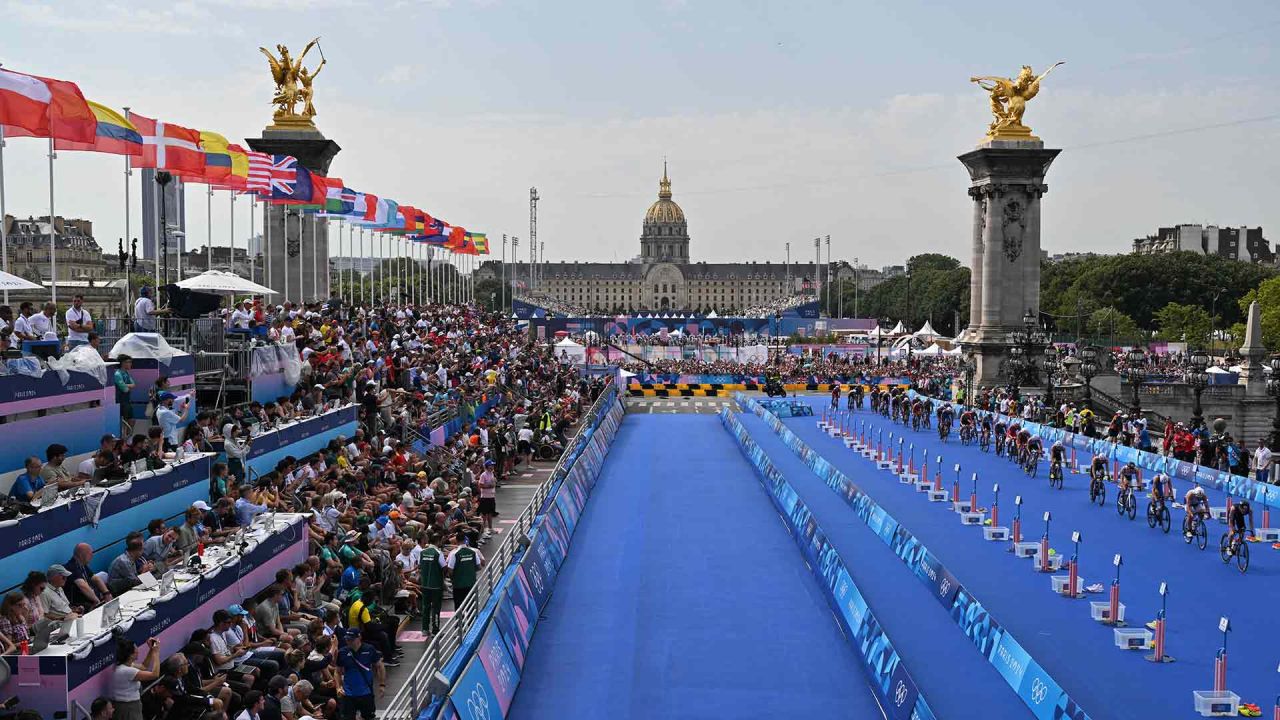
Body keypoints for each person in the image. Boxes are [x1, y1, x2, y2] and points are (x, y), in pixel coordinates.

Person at [336, 628, 384, 720]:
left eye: (351, 639)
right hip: (348, 694)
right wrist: (338, 687)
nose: (349, 642)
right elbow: (337, 671)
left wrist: (382, 685)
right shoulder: (342, 652)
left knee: (368, 717)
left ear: (359, 638)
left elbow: (380, 666)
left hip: (366, 692)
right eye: (347, 639)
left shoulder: (369, 649)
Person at [110, 637, 162, 720]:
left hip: (130, 706)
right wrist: (156, 653)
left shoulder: (126, 666)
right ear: (131, 655)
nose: (138, 651)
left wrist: (152, 649)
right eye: (136, 649)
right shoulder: (126, 671)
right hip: (128, 708)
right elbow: (155, 674)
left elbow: (144, 667)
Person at [66, 543, 112, 608]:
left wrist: (106, 593)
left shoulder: (82, 565)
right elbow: (82, 586)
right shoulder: (71, 567)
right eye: (90, 553)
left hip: (93, 597)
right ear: (81, 555)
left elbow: (96, 578)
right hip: (83, 602)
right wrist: (98, 602)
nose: (92, 555)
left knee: (110, 588)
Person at [418, 533, 446, 634]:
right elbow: (444, 567)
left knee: (425, 607)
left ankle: (424, 629)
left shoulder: (422, 552)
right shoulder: (438, 553)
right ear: (438, 541)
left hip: (424, 585)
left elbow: (419, 566)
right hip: (436, 586)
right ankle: (435, 630)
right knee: (436, 608)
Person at [446, 534, 483, 609]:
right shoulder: (473, 552)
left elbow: (450, 570)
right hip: (471, 583)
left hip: (458, 585)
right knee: (472, 607)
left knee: (459, 608)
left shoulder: (454, 553)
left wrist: (452, 579)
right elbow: (479, 567)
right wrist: (470, 570)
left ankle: (460, 621)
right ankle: (472, 620)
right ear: (465, 540)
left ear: (456, 540)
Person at [114, 355, 137, 437]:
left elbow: (134, 385)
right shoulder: (117, 374)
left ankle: (128, 439)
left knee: (132, 421)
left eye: (131, 362)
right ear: (123, 363)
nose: (131, 364)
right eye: (129, 362)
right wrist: (128, 386)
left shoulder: (126, 373)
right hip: (120, 402)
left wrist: (126, 385)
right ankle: (123, 439)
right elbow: (125, 389)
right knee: (123, 423)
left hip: (127, 401)